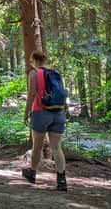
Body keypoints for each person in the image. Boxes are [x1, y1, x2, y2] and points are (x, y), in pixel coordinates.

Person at [22, 50, 68, 191]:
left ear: (34, 60)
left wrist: (26, 113)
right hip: (58, 112)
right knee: (56, 147)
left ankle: (32, 173)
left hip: (41, 112)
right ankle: (61, 180)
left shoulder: (34, 73)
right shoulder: (55, 73)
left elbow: (31, 94)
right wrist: (65, 109)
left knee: (37, 146)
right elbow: (61, 93)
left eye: (30, 61)